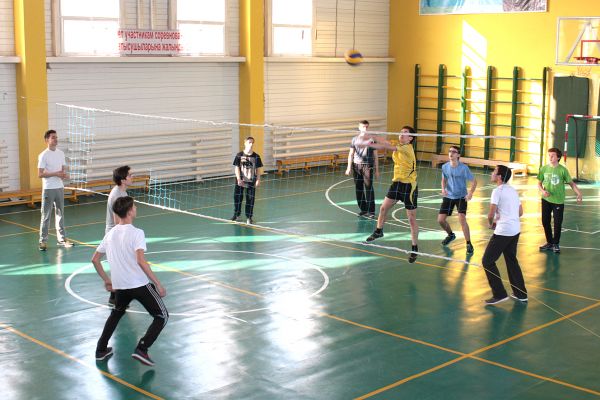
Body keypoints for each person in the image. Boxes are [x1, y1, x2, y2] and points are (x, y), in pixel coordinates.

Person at [92, 196, 168, 366]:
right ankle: (142, 348)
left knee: (116, 314)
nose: (136, 208)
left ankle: (100, 350)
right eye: (134, 206)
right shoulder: (137, 233)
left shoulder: (110, 234)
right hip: (138, 284)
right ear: (129, 211)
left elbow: (95, 260)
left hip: (120, 286)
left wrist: (107, 280)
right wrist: (157, 283)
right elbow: (141, 261)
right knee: (162, 316)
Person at [363, 126, 419, 263]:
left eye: (405, 133)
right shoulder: (398, 143)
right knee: (383, 208)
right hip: (396, 184)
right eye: (401, 132)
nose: (402, 134)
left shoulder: (407, 148)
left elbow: (387, 147)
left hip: (408, 186)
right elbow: (385, 142)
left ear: (411, 138)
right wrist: (370, 139)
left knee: (411, 219)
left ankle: (414, 248)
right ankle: (379, 231)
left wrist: (371, 140)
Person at [482, 165, 527, 305]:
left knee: (487, 261)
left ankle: (500, 294)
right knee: (511, 260)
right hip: (515, 230)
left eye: (494, 171)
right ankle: (521, 294)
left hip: (503, 232)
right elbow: (520, 212)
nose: (492, 173)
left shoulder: (497, 191)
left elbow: (490, 214)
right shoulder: (512, 190)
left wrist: (491, 223)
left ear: (500, 177)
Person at [537, 147, 583, 254]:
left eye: (552, 155)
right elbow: (539, 184)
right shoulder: (544, 169)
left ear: (558, 157)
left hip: (558, 201)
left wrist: (579, 193)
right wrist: (543, 191)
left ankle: (556, 244)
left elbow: (572, 184)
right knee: (545, 221)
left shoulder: (563, 170)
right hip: (546, 200)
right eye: (549, 155)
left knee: (557, 223)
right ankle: (549, 242)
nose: (550, 157)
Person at [37, 129, 73, 251]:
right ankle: (42, 241)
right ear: (47, 140)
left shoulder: (61, 154)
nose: (56, 139)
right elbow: (40, 174)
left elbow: (62, 171)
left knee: (60, 213)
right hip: (48, 189)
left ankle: (61, 240)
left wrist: (63, 175)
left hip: (59, 188)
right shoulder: (43, 155)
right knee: (46, 215)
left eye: (56, 137)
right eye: (53, 137)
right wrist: (55, 174)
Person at [438, 145, 477, 255]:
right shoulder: (445, 167)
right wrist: (443, 189)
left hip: (461, 197)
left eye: (454, 152)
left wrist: (470, 193)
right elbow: (443, 179)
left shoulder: (464, 168)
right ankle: (451, 235)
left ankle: (469, 243)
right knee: (440, 220)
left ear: (458, 155)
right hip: (449, 196)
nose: (451, 153)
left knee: (462, 219)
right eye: (450, 151)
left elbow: (474, 182)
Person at [105, 165, 133, 306]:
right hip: (115, 235)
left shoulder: (123, 192)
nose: (132, 177)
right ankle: (115, 297)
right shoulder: (117, 195)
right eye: (130, 175)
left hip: (120, 233)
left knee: (122, 266)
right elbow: (117, 221)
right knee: (119, 267)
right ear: (123, 180)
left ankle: (117, 296)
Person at [345, 120, 379, 218]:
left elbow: (375, 155)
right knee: (358, 188)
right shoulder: (354, 139)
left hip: (367, 166)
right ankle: (363, 210)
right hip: (356, 166)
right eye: (363, 127)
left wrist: (377, 170)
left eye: (367, 127)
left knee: (369, 188)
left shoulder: (372, 140)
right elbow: (351, 154)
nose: (365, 129)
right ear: (359, 128)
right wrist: (348, 167)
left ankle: (371, 211)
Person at [232, 136, 263, 224]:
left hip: (251, 181)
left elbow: (258, 169)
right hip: (240, 180)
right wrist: (238, 179)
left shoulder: (256, 156)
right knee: (237, 198)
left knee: (250, 199)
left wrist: (258, 179)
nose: (251, 144)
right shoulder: (239, 155)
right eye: (249, 142)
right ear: (245, 143)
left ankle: (249, 217)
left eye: (252, 142)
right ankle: (237, 215)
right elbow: (236, 168)